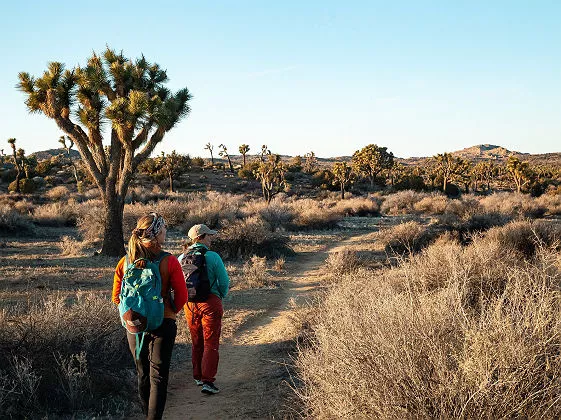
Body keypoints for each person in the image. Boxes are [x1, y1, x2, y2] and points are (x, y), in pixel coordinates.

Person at [112, 213, 188, 419]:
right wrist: (170, 311)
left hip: (135, 324)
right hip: (163, 322)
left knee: (143, 374)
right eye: (163, 230)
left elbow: (116, 296)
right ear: (155, 235)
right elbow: (182, 295)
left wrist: (132, 312)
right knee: (159, 377)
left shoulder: (125, 261)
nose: (166, 233)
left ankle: (147, 414)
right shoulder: (169, 260)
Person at [180, 224, 230, 395]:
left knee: (196, 340)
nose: (211, 238)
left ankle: (198, 376)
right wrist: (219, 296)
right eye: (209, 235)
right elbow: (224, 282)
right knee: (211, 342)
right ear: (200, 237)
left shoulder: (182, 257)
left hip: (190, 304)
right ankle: (208, 381)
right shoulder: (213, 256)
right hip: (210, 302)